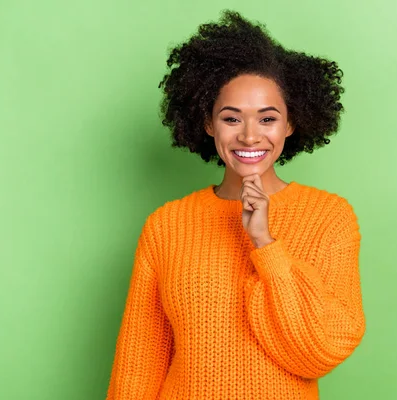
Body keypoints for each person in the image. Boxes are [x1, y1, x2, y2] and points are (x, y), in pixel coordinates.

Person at [105, 9, 365, 400]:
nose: (248, 136)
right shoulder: (166, 225)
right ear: (207, 123)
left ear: (290, 124)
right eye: (231, 119)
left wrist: (265, 244)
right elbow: (139, 364)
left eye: (267, 119)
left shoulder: (330, 217)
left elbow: (322, 348)